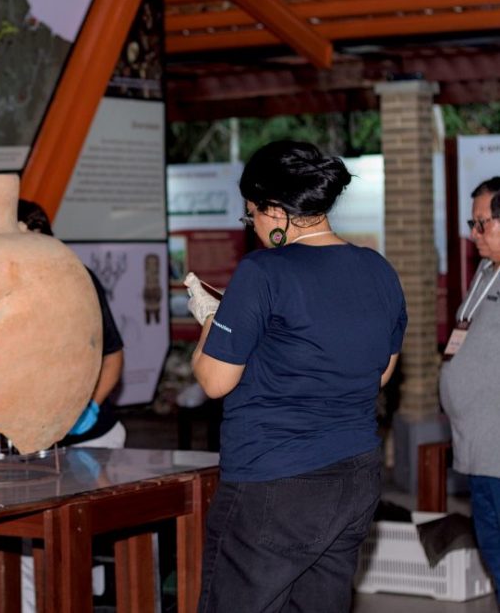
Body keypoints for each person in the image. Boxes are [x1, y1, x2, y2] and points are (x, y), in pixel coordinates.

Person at [185, 140, 407, 612]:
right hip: (355, 476)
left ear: (276, 210)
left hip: (274, 482)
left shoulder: (263, 272)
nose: (255, 227)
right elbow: (380, 374)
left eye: (253, 215)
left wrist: (210, 319)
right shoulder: (378, 269)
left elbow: (214, 380)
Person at [17, 199, 126, 448]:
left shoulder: (78, 279)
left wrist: (90, 408)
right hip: (31, 442)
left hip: (90, 439)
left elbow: (112, 355)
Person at [440, 176, 500, 605]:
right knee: (492, 547)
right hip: (477, 447)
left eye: (483, 224)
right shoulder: (485, 271)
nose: (473, 233)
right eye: (472, 223)